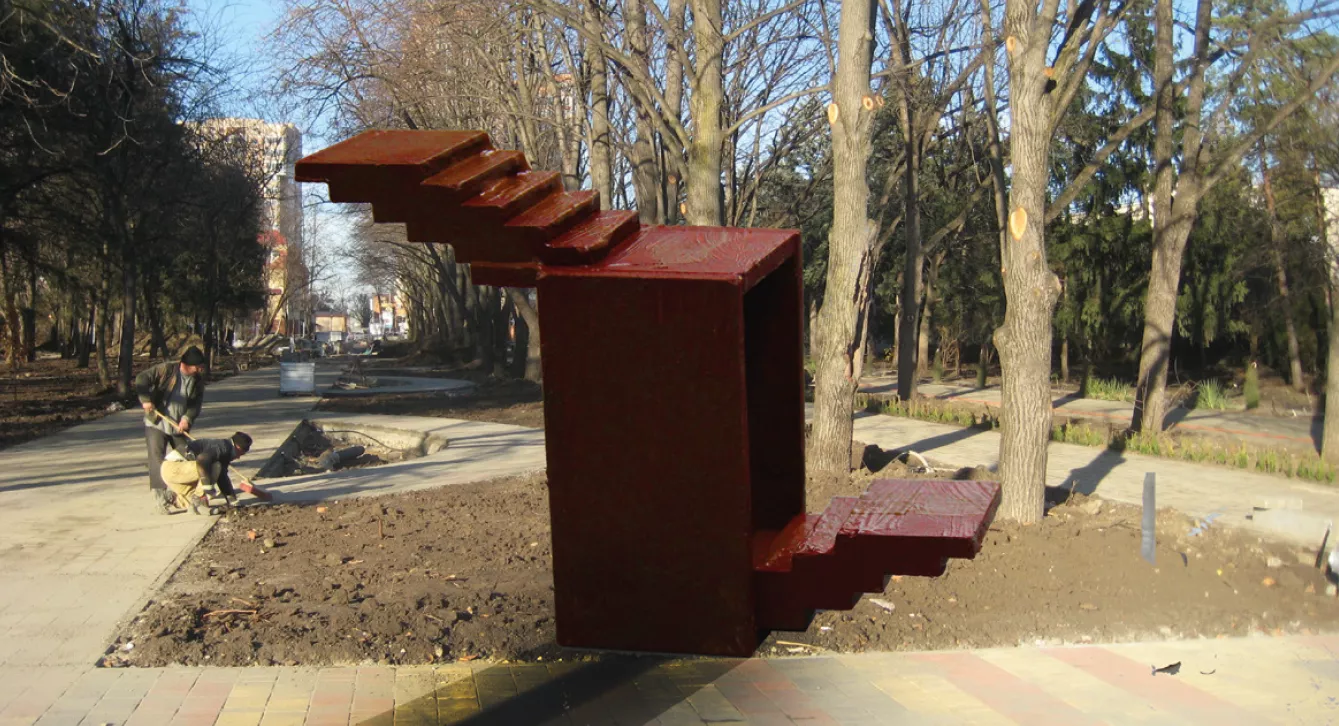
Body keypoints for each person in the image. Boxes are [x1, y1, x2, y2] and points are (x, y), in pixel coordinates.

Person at [136, 346, 207, 513]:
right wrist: (146, 400)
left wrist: (187, 418)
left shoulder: (197, 381)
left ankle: (190, 495)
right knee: (157, 460)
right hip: (157, 423)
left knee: (187, 456)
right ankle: (161, 499)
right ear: (187, 365)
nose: (200, 369)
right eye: (198, 367)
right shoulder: (167, 370)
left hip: (178, 427)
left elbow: (195, 404)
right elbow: (141, 378)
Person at [161, 432, 252, 515]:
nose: (238, 457)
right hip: (174, 467)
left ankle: (171, 498)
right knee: (214, 466)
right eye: (241, 454)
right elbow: (202, 460)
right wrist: (207, 487)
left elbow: (223, 478)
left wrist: (233, 501)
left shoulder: (224, 452)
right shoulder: (223, 447)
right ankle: (199, 500)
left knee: (194, 506)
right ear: (238, 447)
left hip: (173, 473)